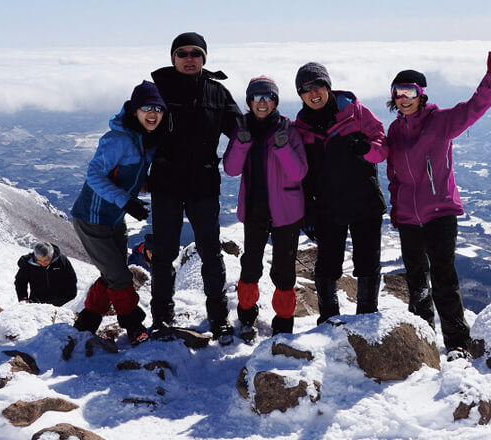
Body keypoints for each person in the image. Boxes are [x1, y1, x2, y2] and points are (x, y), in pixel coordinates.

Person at [386, 51, 491, 361]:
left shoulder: (440, 122)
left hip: (441, 213)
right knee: (416, 281)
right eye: (398, 92)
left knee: (443, 279)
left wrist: (490, 78)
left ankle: (457, 342)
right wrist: (396, 206)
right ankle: (423, 338)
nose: (403, 98)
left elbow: (474, 108)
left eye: (409, 91)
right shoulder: (395, 131)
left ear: (421, 94)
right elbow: (394, 176)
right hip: (409, 218)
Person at [149, 32, 242, 345]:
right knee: (163, 254)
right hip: (165, 184)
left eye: (196, 53)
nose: (190, 58)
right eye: (183, 53)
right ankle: (161, 318)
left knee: (211, 253)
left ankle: (219, 318)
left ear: (204, 58)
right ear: (173, 58)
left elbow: (242, 132)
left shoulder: (217, 93)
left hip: (203, 184)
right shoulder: (156, 90)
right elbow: (132, 129)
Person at [71, 80, 166, 346]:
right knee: (120, 277)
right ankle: (133, 325)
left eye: (158, 108)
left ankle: (86, 322)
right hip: (92, 218)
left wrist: (143, 184)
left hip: (114, 219)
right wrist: (126, 200)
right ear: (135, 110)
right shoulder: (118, 139)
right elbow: (94, 175)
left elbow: (129, 173)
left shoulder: (145, 140)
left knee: (111, 274)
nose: (153, 113)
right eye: (147, 107)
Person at [293, 62, 388, 325]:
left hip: (364, 201)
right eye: (306, 89)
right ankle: (328, 320)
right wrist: (307, 211)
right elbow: (300, 174)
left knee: (368, 262)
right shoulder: (300, 128)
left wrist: (365, 148)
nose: (313, 93)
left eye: (318, 86)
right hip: (328, 206)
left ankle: (367, 318)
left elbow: (382, 146)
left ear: (328, 86)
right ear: (300, 95)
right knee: (328, 264)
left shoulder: (355, 112)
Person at [223, 76, 308, 341]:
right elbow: (231, 168)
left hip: (286, 210)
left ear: (275, 101)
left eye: (268, 97)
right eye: (256, 97)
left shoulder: (287, 129)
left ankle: (284, 323)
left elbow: (299, 172)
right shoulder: (242, 129)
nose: (262, 102)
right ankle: (247, 315)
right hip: (255, 209)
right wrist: (242, 142)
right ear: (249, 101)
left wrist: (283, 148)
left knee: (283, 270)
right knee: (250, 265)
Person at [14, 241, 77, 306]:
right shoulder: (28, 263)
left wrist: (69, 298)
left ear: (52, 256)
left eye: (46, 260)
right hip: (37, 303)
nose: (43, 263)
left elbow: (71, 279)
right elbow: (20, 281)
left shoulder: (61, 260)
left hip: (61, 303)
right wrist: (23, 298)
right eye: (39, 260)